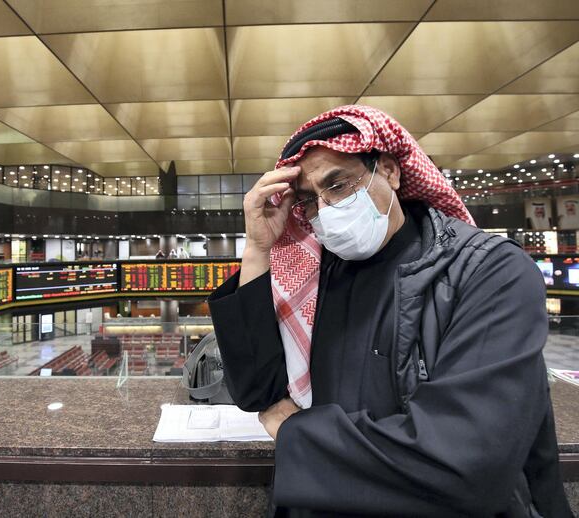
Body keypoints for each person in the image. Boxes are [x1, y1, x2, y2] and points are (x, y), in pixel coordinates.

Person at [207, 105, 570, 516]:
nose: (326, 212)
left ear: (391, 172)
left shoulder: (488, 271)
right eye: (309, 201)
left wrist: (297, 434)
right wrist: (258, 249)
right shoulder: (318, 270)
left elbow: (464, 460)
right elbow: (259, 391)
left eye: (339, 185)